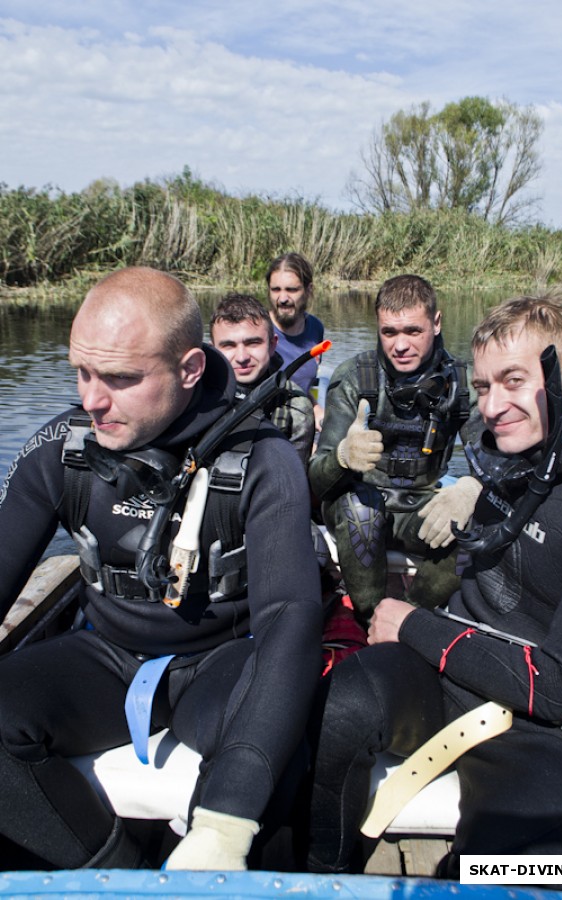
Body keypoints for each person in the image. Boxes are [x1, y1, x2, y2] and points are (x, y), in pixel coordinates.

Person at [0, 266, 323, 871]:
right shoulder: (62, 449)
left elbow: (291, 620)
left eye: (121, 378)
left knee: (284, 752)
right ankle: (116, 873)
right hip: (104, 658)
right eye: (82, 371)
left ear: (191, 370)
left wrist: (225, 820)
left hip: (221, 662)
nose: (93, 399)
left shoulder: (263, 460)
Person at [304, 294, 562, 880]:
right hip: (444, 669)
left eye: (513, 381)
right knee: (334, 709)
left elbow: (561, 685)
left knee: (524, 874)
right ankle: (321, 877)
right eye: (484, 386)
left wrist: (412, 623)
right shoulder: (511, 450)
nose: (491, 407)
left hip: (531, 715)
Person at [308, 274, 477, 625]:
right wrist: (343, 457)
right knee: (360, 509)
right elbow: (318, 484)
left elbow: (499, 459)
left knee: (475, 519)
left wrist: (474, 487)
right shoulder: (353, 377)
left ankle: (408, 620)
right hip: (360, 507)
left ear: (437, 323)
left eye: (413, 331)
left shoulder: (463, 384)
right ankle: (368, 620)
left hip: (419, 507)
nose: (400, 345)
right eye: (389, 332)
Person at [209, 292, 315, 468]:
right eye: (228, 345)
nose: (242, 357)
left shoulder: (295, 406)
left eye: (253, 343)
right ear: (214, 350)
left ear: (273, 344)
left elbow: (295, 481)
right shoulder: (197, 397)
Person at [265, 253, 325, 399]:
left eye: (292, 290)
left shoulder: (316, 328)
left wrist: (315, 407)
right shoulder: (258, 330)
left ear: (309, 290)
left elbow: (306, 385)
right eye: (276, 290)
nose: (283, 299)